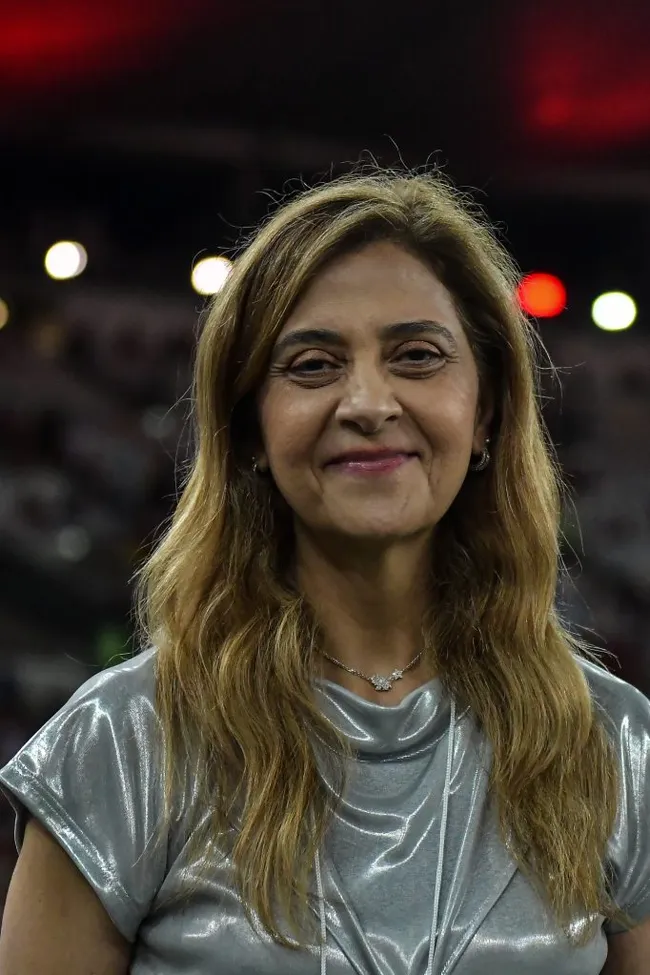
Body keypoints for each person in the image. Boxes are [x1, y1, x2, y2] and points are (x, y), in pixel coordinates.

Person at [1, 167, 649, 975]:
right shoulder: (124, 742)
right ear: (250, 432)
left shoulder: (615, 745)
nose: (368, 401)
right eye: (312, 365)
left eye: (417, 356)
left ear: (485, 413)